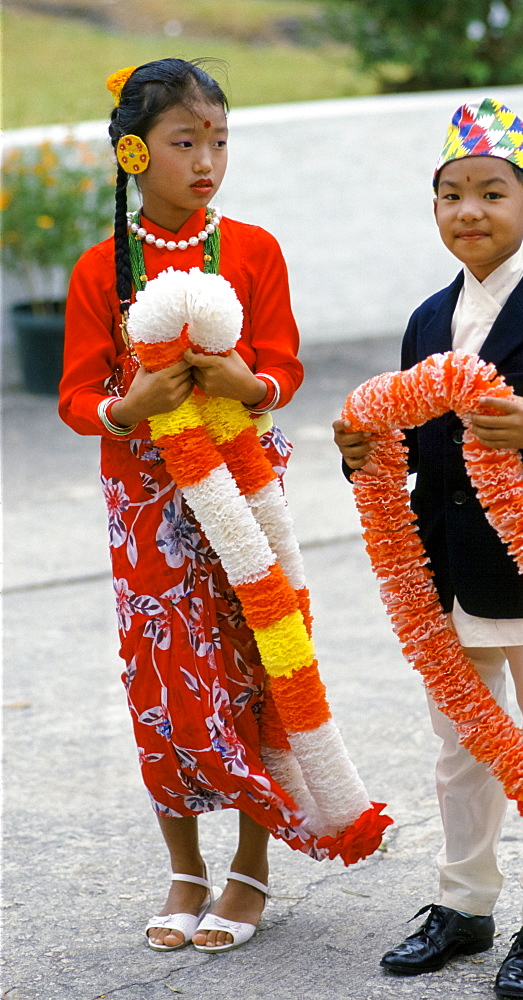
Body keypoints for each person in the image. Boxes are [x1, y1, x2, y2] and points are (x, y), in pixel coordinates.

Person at [333, 98, 523, 999]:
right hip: (447, 572)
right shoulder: (427, 321)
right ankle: (463, 903)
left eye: (490, 193)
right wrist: (362, 459)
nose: (469, 211)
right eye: (449, 195)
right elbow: (413, 453)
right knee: (460, 749)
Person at [59, 58, 309, 955]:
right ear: (134, 152)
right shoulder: (101, 268)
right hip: (145, 502)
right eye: (184, 142)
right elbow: (76, 395)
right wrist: (129, 411)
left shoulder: (253, 251)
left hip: (243, 491)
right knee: (164, 682)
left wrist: (250, 381)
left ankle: (250, 866)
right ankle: (183, 869)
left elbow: (283, 368)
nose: (207, 161)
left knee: (249, 664)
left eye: (219, 141)